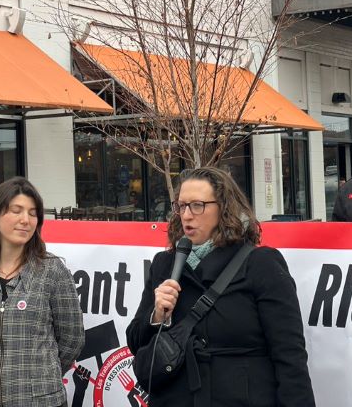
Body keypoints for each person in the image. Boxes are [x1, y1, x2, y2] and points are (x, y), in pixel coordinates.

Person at [126, 167, 314, 406]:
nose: (186, 215)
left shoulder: (261, 264)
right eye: (181, 206)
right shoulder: (165, 264)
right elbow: (135, 342)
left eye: (197, 205)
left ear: (224, 208)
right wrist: (156, 315)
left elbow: (289, 355)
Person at [0, 177, 84, 407]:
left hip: (40, 401)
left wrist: (40, 374)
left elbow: (72, 340)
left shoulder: (53, 271)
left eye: (33, 213)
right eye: (16, 211)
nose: (25, 220)